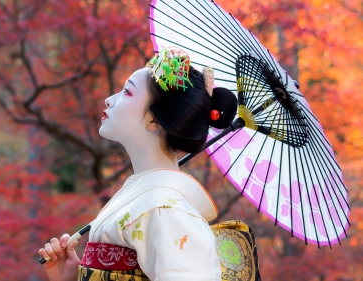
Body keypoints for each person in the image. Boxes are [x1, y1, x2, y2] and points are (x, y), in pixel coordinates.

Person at [38, 47, 238, 281]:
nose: (109, 100)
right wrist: (74, 278)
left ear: (154, 119)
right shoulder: (148, 198)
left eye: (127, 92)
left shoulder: (165, 207)